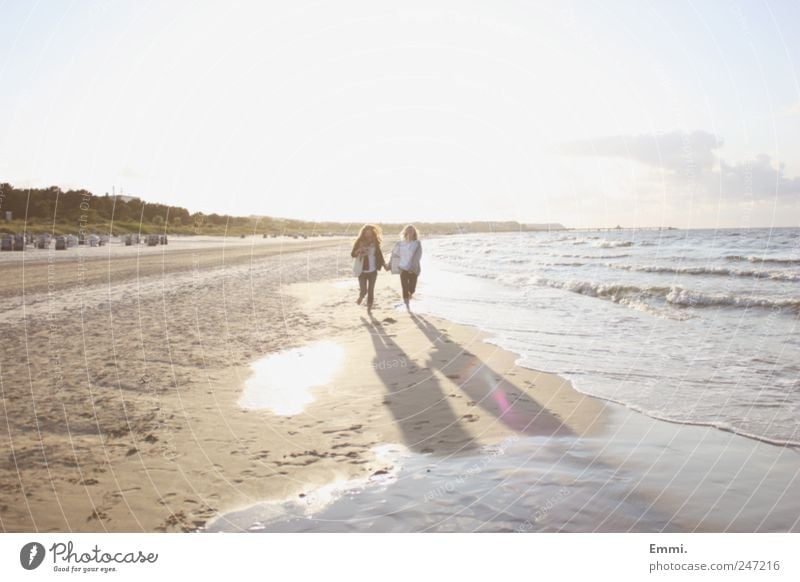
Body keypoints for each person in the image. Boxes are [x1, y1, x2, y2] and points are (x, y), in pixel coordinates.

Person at [351, 224, 387, 313]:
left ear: (373, 233)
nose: (368, 235)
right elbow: (352, 254)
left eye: (370, 233)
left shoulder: (375, 242)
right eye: (366, 233)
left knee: (371, 290)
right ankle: (361, 296)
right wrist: (359, 251)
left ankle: (369, 308)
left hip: (373, 270)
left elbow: (379, 255)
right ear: (363, 233)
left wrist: (384, 265)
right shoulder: (359, 241)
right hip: (362, 270)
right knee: (364, 290)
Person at [390, 225, 422, 311]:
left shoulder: (417, 243)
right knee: (404, 287)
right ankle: (407, 306)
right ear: (405, 232)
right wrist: (390, 265)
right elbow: (394, 255)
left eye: (412, 231)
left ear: (414, 232)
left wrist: (412, 267)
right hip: (402, 268)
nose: (410, 232)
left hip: (413, 269)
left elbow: (418, 256)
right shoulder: (400, 243)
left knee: (412, 289)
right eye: (408, 230)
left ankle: (409, 296)